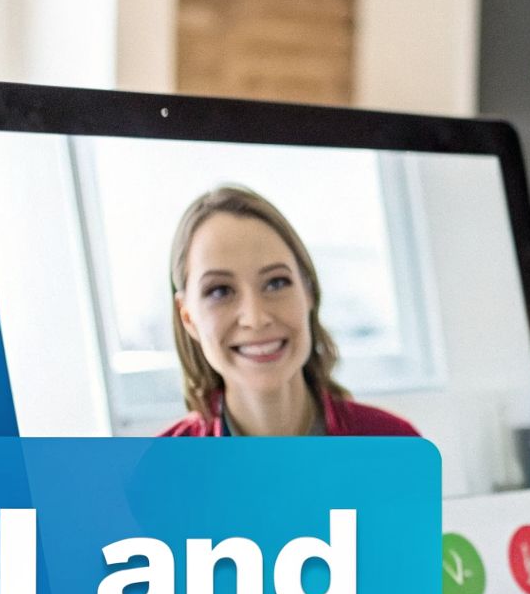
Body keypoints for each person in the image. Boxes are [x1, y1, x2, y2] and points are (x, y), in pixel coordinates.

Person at [158, 184, 419, 438]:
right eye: (220, 291)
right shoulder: (160, 472)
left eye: (276, 283)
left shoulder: (395, 446)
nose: (255, 318)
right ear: (188, 317)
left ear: (308, 292)